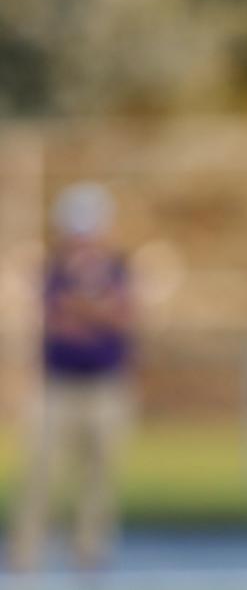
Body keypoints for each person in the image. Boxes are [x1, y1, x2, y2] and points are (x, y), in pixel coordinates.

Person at [7, 183, 136, 572]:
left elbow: (122, 318)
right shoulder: (53, 271)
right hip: (58, 387)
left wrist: (83, 309)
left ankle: (89, 553)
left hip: (106, 385)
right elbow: (57, 324)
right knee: (40, 473)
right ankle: (25, 556)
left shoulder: (118, 269)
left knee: (100, 475)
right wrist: (93, 310)